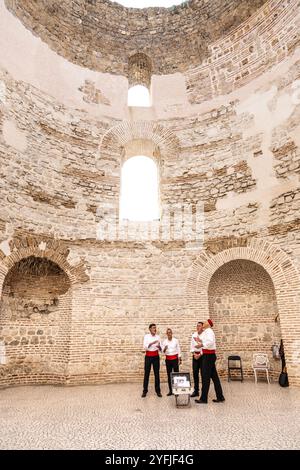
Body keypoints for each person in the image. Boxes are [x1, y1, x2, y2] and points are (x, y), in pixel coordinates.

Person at [195, 319, 225, 404]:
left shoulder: (209, 331)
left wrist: (201, 344)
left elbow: (210, 343)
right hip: (208, 356)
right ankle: (220, 396)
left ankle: (204, 399)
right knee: (214, 377)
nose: (203, 323)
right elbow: (206, 347)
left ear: (208, 324)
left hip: (208, 357)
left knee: (205, 377)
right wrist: (200, 352)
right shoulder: (206, 332)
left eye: (205, 322)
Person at [142, 323, 162, 398]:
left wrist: (159, 347)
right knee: (146, 373)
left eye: (155, 328)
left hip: (156, 357)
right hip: (148, 357)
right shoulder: (146, 337)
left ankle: (158, 391)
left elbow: (161, 349)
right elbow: (145, 347)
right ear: (150, 329)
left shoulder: (158, 337)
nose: (155, 329)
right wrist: (152, 343)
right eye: (153, 328)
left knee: (157, 374)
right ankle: (145, 391)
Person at [161, 328, 182, 396]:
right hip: (168, 360)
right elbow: (162, 351)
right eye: (168, 333)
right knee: (169, 375)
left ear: (172, 333)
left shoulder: (176, 340)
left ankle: (177, 390)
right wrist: (165, 348)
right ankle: (171, 390)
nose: (169, 334)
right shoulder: (164, 342)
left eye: (170, 332)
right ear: (166, 334)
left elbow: (178, 349)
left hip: (175, 359)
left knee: (176, 375)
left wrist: (180, 358)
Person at [190, 321, 204, 398]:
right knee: (195, 373)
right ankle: (196, 391)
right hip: (195, 356)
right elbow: (192, 346)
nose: (198, 327)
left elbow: (205, 346)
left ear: (202, 327)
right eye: (197, 326)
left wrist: (200, 354)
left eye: (199, 326)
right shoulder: (194, 335)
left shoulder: (204, 335)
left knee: (203, 374)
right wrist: (194, 354)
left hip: (202, 356)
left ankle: (203, 391)